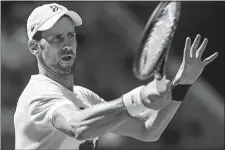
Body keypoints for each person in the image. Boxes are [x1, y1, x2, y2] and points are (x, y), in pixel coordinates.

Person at [13, 3, 218, 150]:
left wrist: (181, 84)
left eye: (70, 35)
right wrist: (137, 97)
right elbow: (78, 127)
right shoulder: (38, 94)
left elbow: (148, 130)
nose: (67, 44)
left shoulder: (83, 96)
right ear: (34, 47)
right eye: (56, 38)